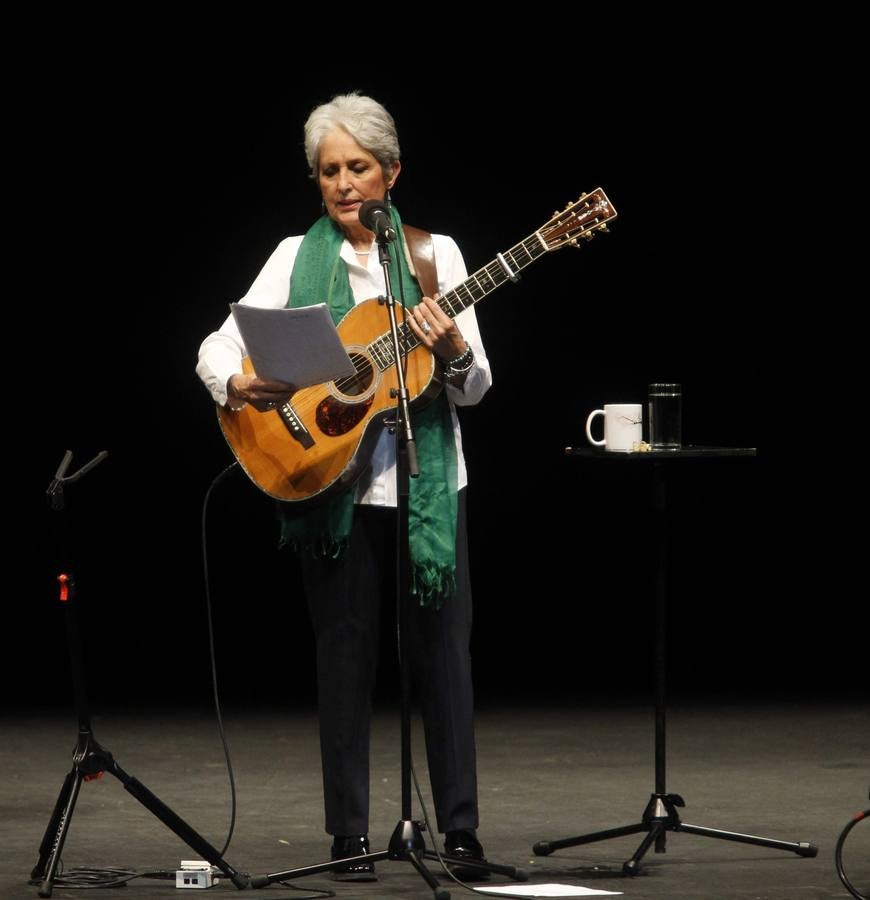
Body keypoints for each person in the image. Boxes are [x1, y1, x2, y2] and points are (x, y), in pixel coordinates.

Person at [196, 92, 493, 881]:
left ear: (391, 172)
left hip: (430, 484)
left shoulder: (436, 257)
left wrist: (454, 343)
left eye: (358, 167)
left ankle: (459, 832)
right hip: (336, 486)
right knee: (343, 656)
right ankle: (349, 836)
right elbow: (215, 347)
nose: (343, 183)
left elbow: (474, 386)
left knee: (446, 659)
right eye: (329, 170)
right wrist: (244, 384)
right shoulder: (296, 254)